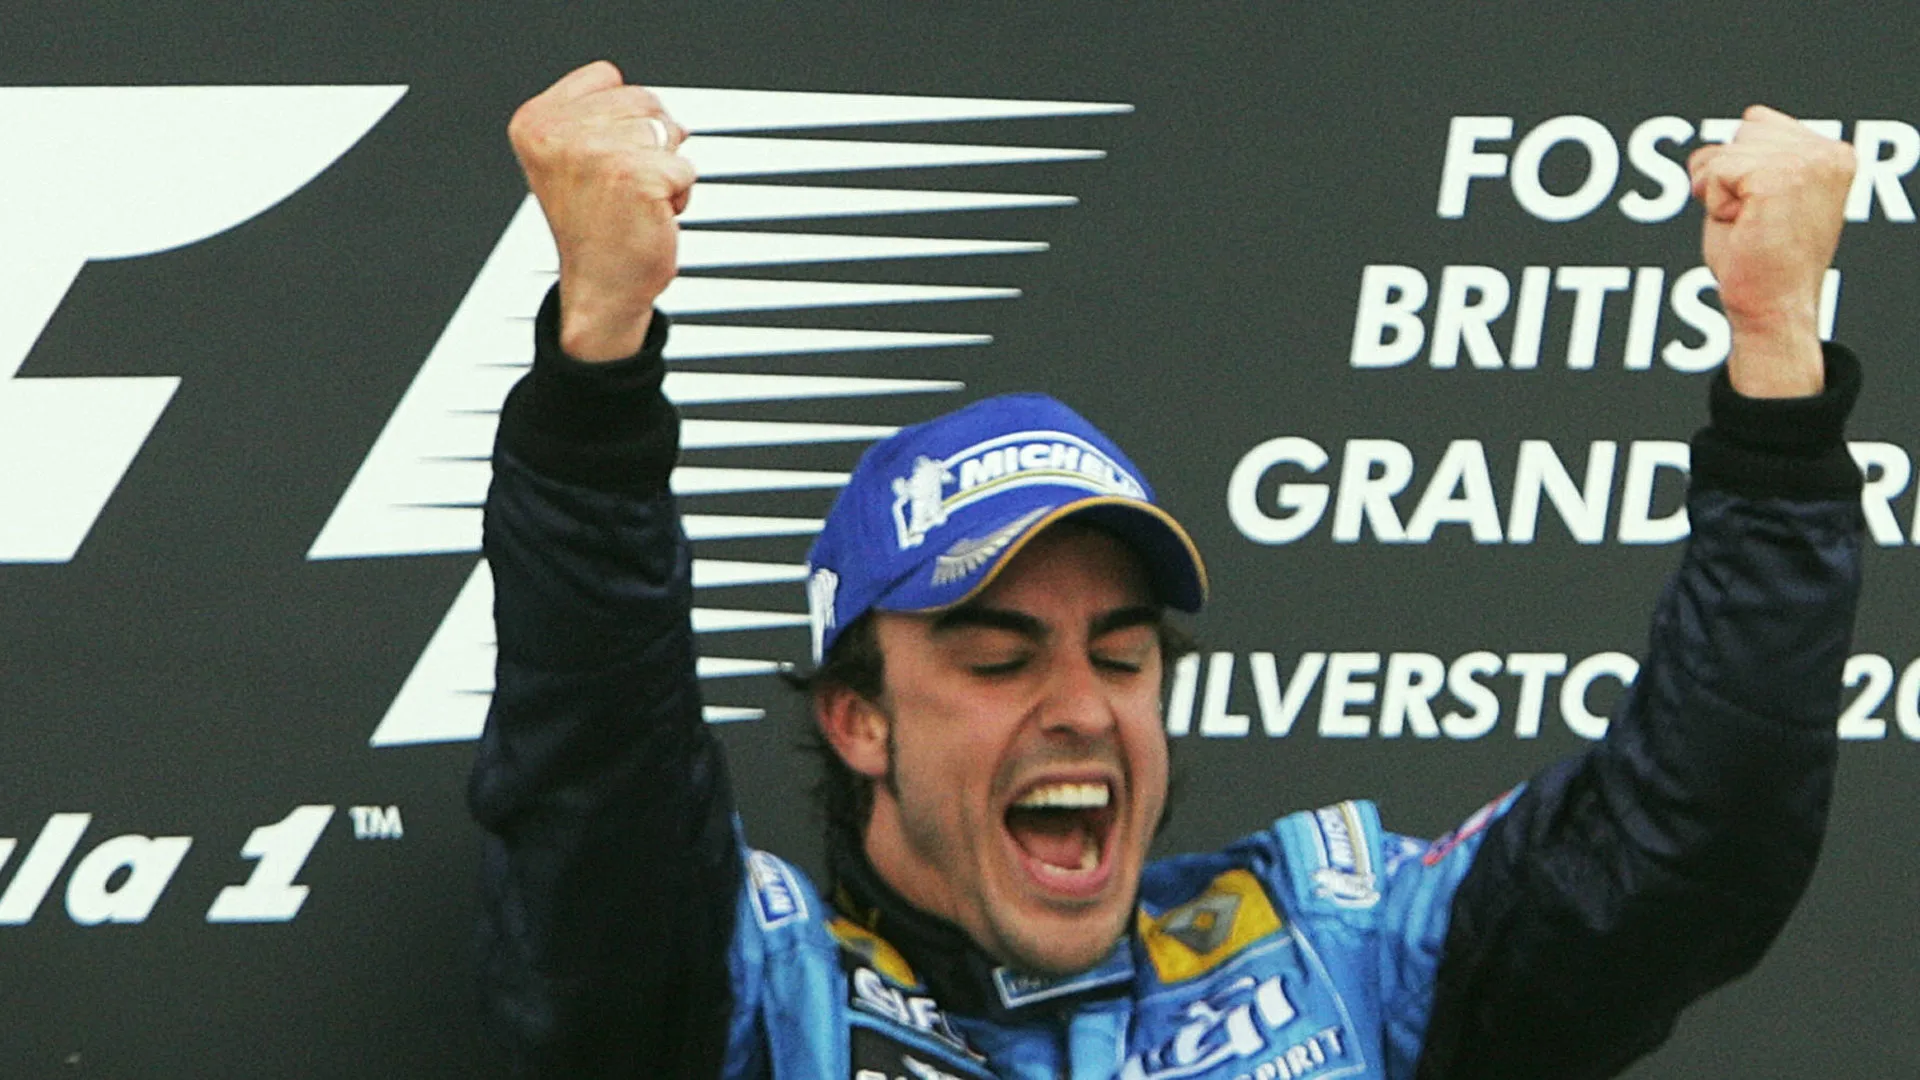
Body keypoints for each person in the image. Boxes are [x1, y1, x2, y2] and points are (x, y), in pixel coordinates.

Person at [468, 61, 1866, 1080]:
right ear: (859, 717)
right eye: (1002, 656)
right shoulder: (757, 991)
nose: (1081, 704)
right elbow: (596, 783)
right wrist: (598, 362)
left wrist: (1777, 376)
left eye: (1121, 655)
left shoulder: (1338, 950)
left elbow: (1695, 844)